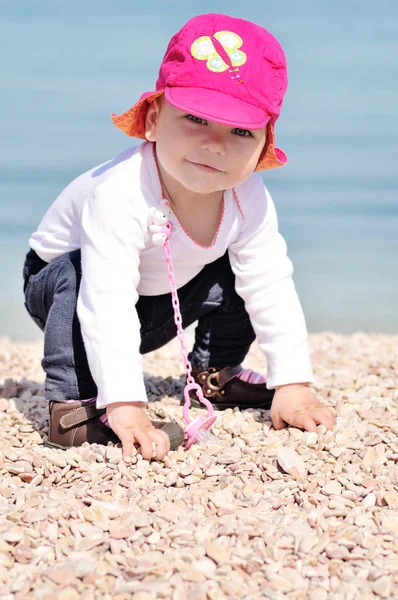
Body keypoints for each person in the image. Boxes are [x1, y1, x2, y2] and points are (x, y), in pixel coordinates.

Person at [23, 13, 336, 463]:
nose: (215, 143)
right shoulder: (121, 191)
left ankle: (216, 371)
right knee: (79, 273)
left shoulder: (249, 196)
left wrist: (293, 384)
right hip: (61, 296)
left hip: (164, 296)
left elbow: (270, 283)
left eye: (241, 131)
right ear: (153, 118)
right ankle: (73, 405)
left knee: (245, 270)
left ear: (264, 143)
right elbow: (105, 300)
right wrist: (127, 406)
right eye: (195, 119)